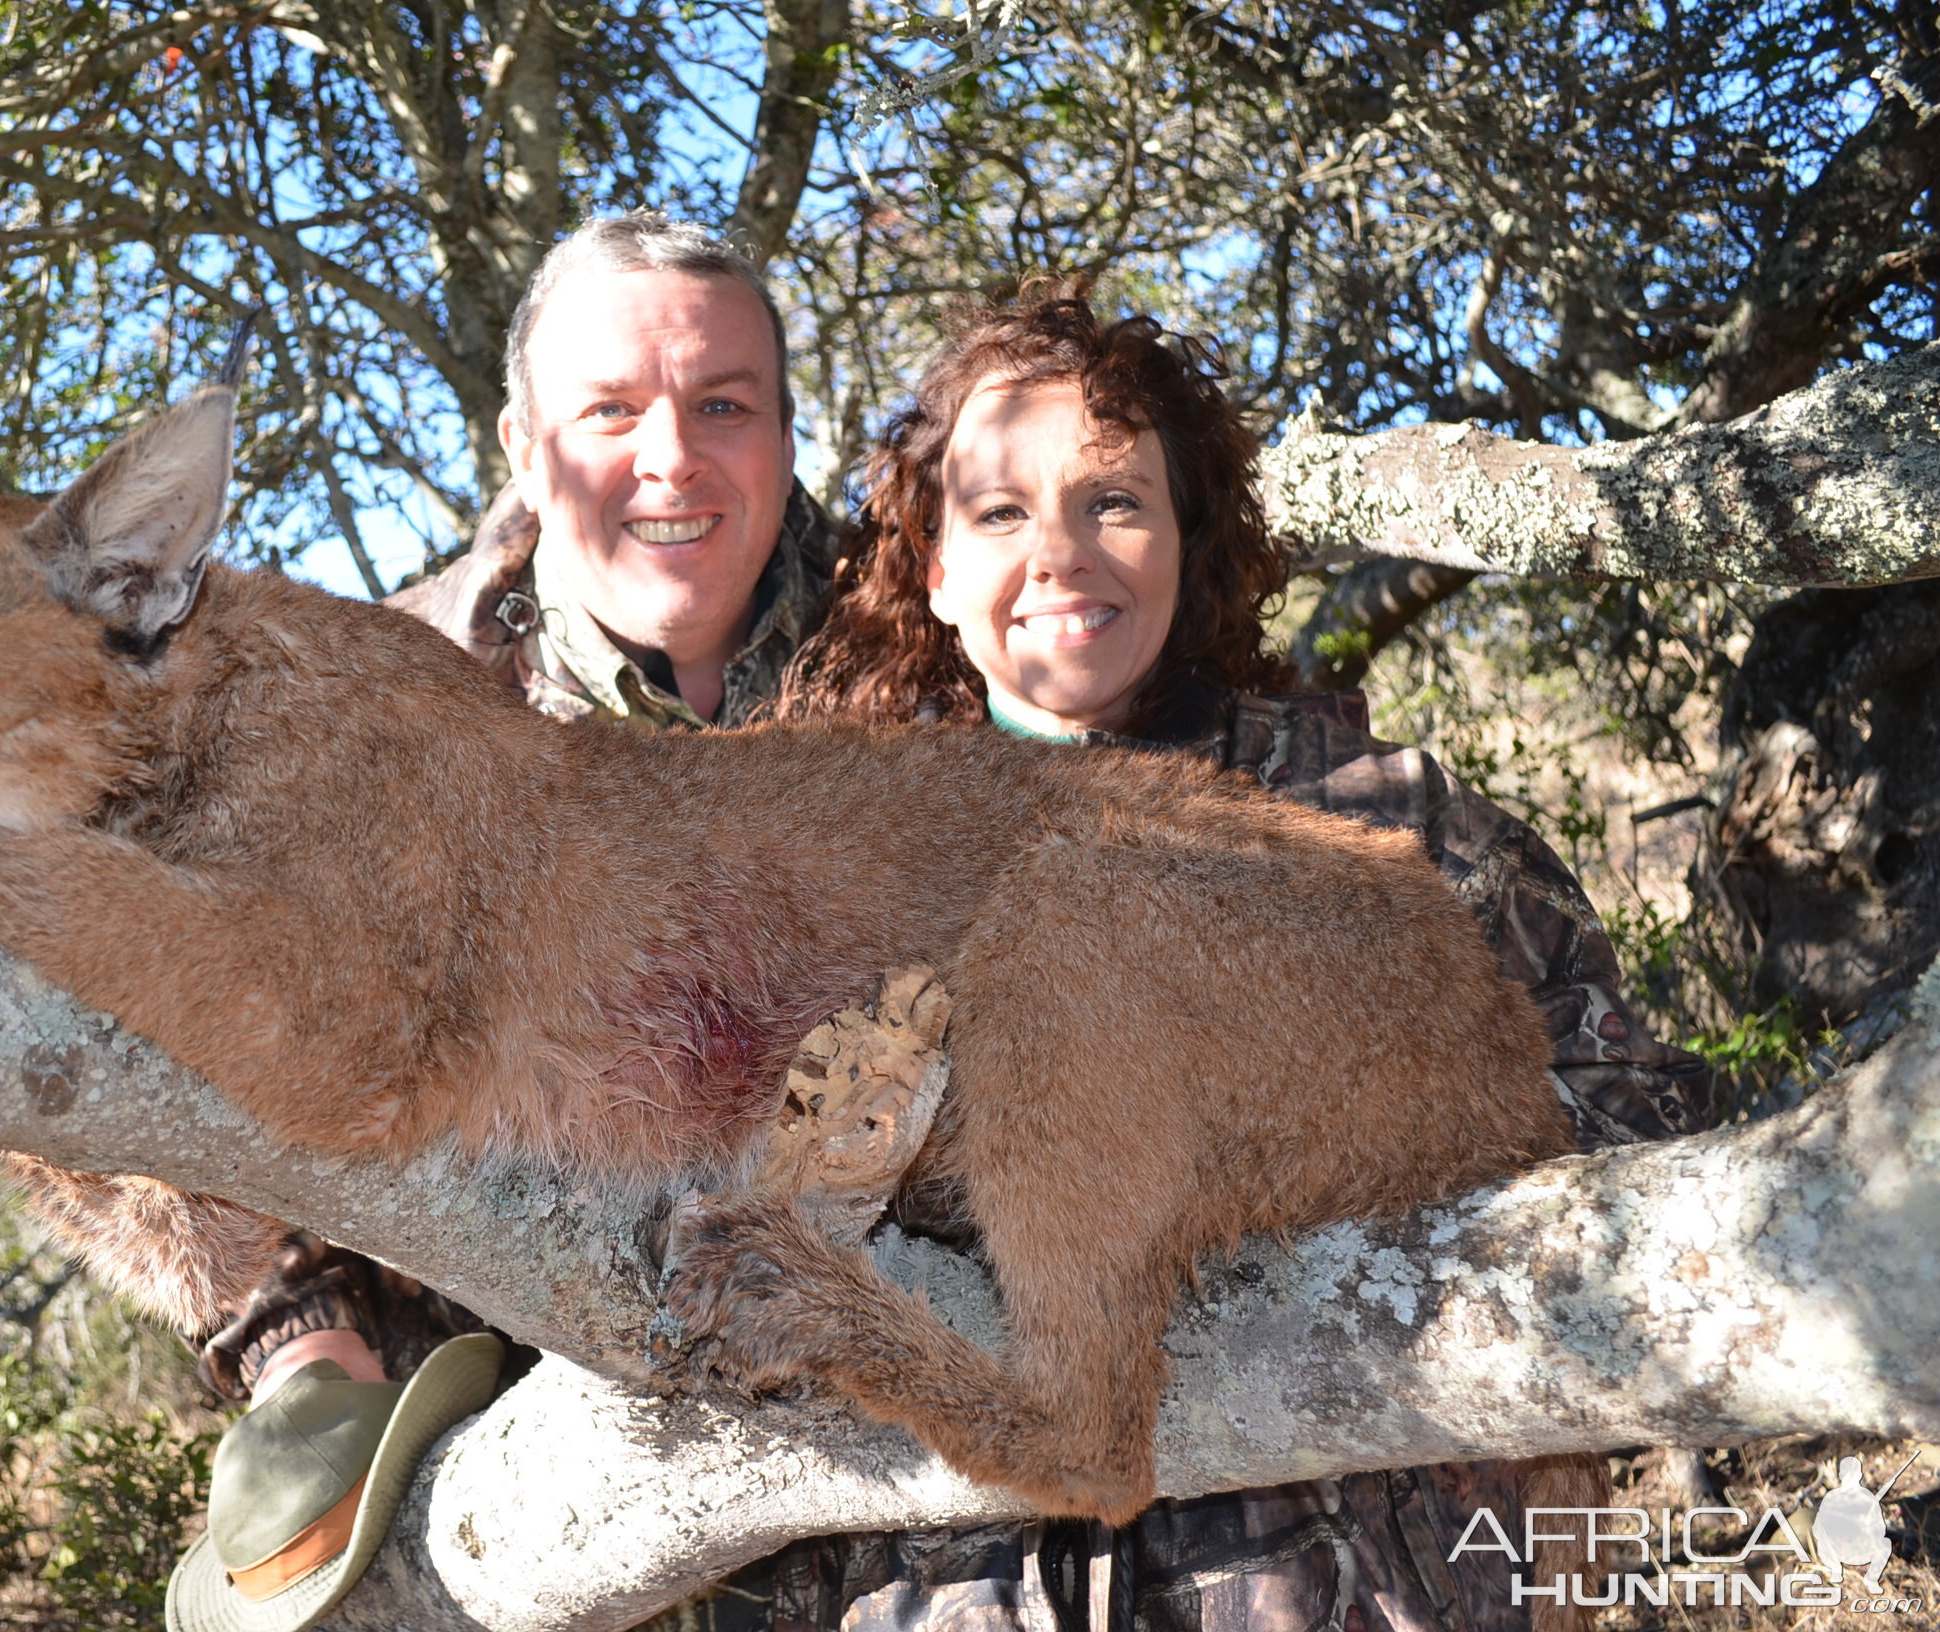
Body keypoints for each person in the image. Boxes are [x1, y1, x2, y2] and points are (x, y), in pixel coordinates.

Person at [714, 279, 1711, 1632]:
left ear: (1191, 537)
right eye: (1001, 513)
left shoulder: (1384, 816)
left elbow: (1633, 1141)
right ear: (935, 571)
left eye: (1114, 502)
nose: (1059, 555)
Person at [168, 211, 840, 1631]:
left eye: (725, 405)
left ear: (786, 431)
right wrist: (290, 1324)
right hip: (502, 1465)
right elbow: (81, 982)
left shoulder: (939, 638)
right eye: (610, 411)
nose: (670, 458)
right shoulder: (352, 716)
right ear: (524, 443)